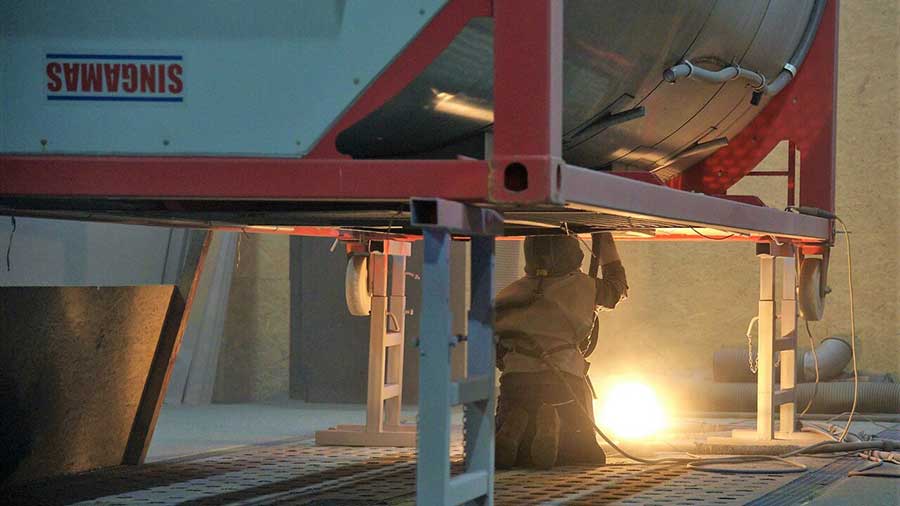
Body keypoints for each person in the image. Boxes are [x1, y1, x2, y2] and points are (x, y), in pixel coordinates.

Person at [494, 232, 627, 469]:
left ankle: (515, 424)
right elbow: (618, 287)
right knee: (586, 456)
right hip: (563, 381)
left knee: (516, 450)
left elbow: (497, 350)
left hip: (515, 382)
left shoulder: (508, 293)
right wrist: (604, 240)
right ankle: (552, 421)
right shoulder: (585, 287)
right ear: (572, 254)